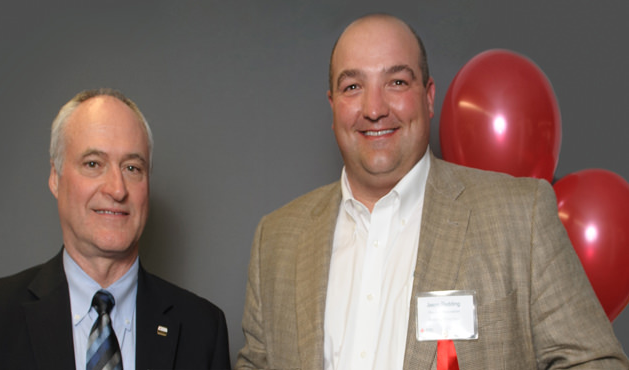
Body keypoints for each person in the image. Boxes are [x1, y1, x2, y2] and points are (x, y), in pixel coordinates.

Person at [236, 14, 628, 369]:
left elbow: (597, 364)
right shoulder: (275, 240)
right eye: (353, 86)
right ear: (333, 105)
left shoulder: (520, 218)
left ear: (428, 97)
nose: (374, 108)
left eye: (396, 82)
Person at [0, 88, 231, 370]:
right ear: (56, 177)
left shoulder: (202, 329)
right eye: (93, 164)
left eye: (132, 168)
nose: (117, 189)